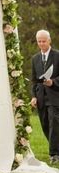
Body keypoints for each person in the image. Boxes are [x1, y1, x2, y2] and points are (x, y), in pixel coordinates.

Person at [31, 29, 59, 164]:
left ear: (49, 40)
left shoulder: (57, 56)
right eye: (39, 41)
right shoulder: (35, 58)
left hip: (55, 96)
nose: (41, 44)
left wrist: (53, 82)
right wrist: (33, 96)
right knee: (45, 124)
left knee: (54, 123)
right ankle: (56, 148)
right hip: (41, 97)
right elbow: (34, 80)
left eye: (44, 41)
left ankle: (54, 154)